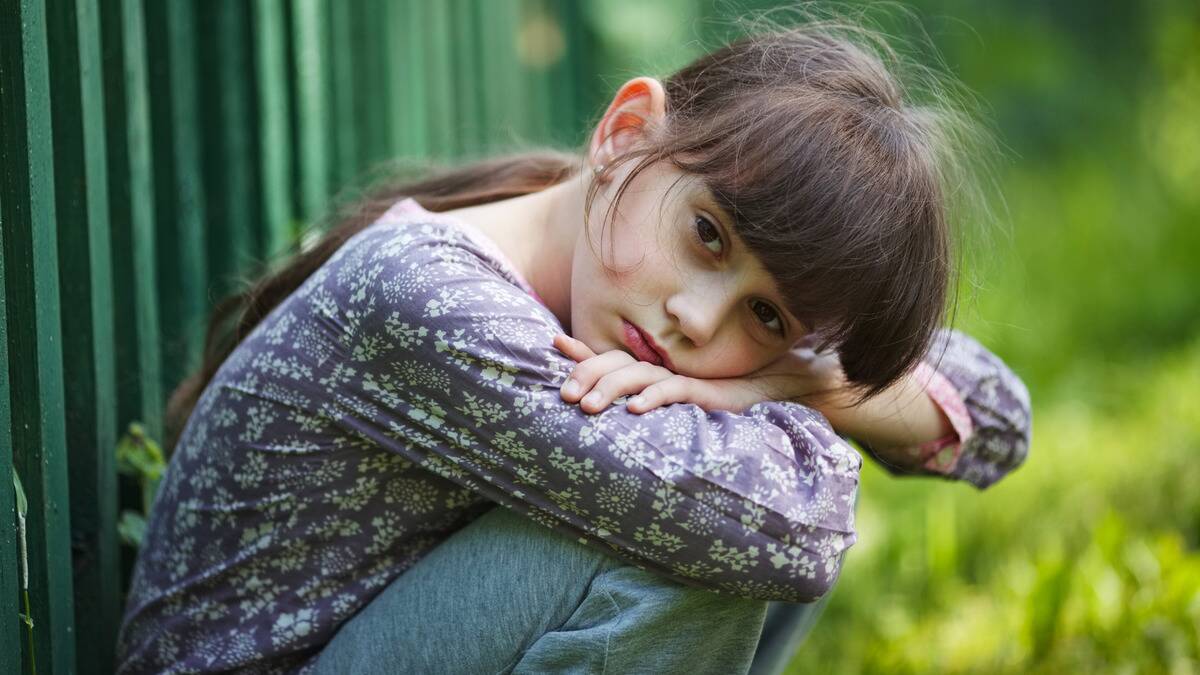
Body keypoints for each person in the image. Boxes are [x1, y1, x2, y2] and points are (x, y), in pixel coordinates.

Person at [115, 21, 1030, 674]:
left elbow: (998, 416)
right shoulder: (432, 299)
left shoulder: (604, 228)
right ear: (628, 131)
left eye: (767, 315)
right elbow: (797, 526)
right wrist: (785, 389)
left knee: (736, 489)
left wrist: (803, 385)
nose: (697, 322)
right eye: (709, 235)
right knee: (713, 532)